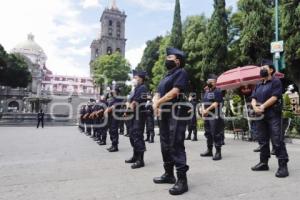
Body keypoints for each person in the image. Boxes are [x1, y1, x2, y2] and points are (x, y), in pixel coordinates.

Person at [152, 47, 189, 196]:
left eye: (170, 58)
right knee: (165, 144)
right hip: (165, 113)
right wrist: (156, 103)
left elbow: (174, 92)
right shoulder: (165, 77)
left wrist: (158, 102)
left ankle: (182, 180)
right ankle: (168, 174)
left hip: (177, 110)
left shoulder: (181, 72)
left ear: (177, 61)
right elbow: (157, 92)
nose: (167, 60)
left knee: (175, 143)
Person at [251, 59, 289, 178]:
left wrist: (262, 106)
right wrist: (254, 106)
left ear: (271, 70)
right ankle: (263, 163)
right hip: (260, 115)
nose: (262, 69)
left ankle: (283, 166)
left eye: (264, 67)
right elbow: (253, 97)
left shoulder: (276, 81)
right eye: (261, 67)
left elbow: (275, 97)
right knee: (262, 140)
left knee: (277, 140)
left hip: (273, 115)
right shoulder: (258, 84)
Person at [125, 70, 149, 169]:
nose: (134, 79)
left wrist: (128, 110)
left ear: (141, 78)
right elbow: (130, 101)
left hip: (139, 114)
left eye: (136, 77)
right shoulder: (136, 88)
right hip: (133, 115)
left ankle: (140, 160)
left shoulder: (143, 87)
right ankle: (135, 156)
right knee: (132, 135)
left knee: (137, 135)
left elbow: (135, 102)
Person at [200, 74, 224, 161]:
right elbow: (203, 102)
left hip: (215, 115)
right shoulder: (206, 92)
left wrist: (207, 110)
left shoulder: (217, 91)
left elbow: (216, 103)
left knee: (215, 133)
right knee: (208, 133)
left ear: (215, 83)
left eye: (212, 82)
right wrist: (203, 111)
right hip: (207, 116)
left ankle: (218, 152)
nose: (210, 83)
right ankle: (209, 150)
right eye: (209, 82)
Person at [105, 87, 123, 152]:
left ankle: (115, 146)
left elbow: (113, 107)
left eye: (113, 90)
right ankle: (112, 145)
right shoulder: (112, 98)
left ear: (116, 91)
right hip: (110, 116)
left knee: (114, 130)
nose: (111, 91)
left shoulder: (118, 98)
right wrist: (106, 111)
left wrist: (107, 111)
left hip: (115, 116)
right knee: (111, 131)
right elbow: (109, 106)